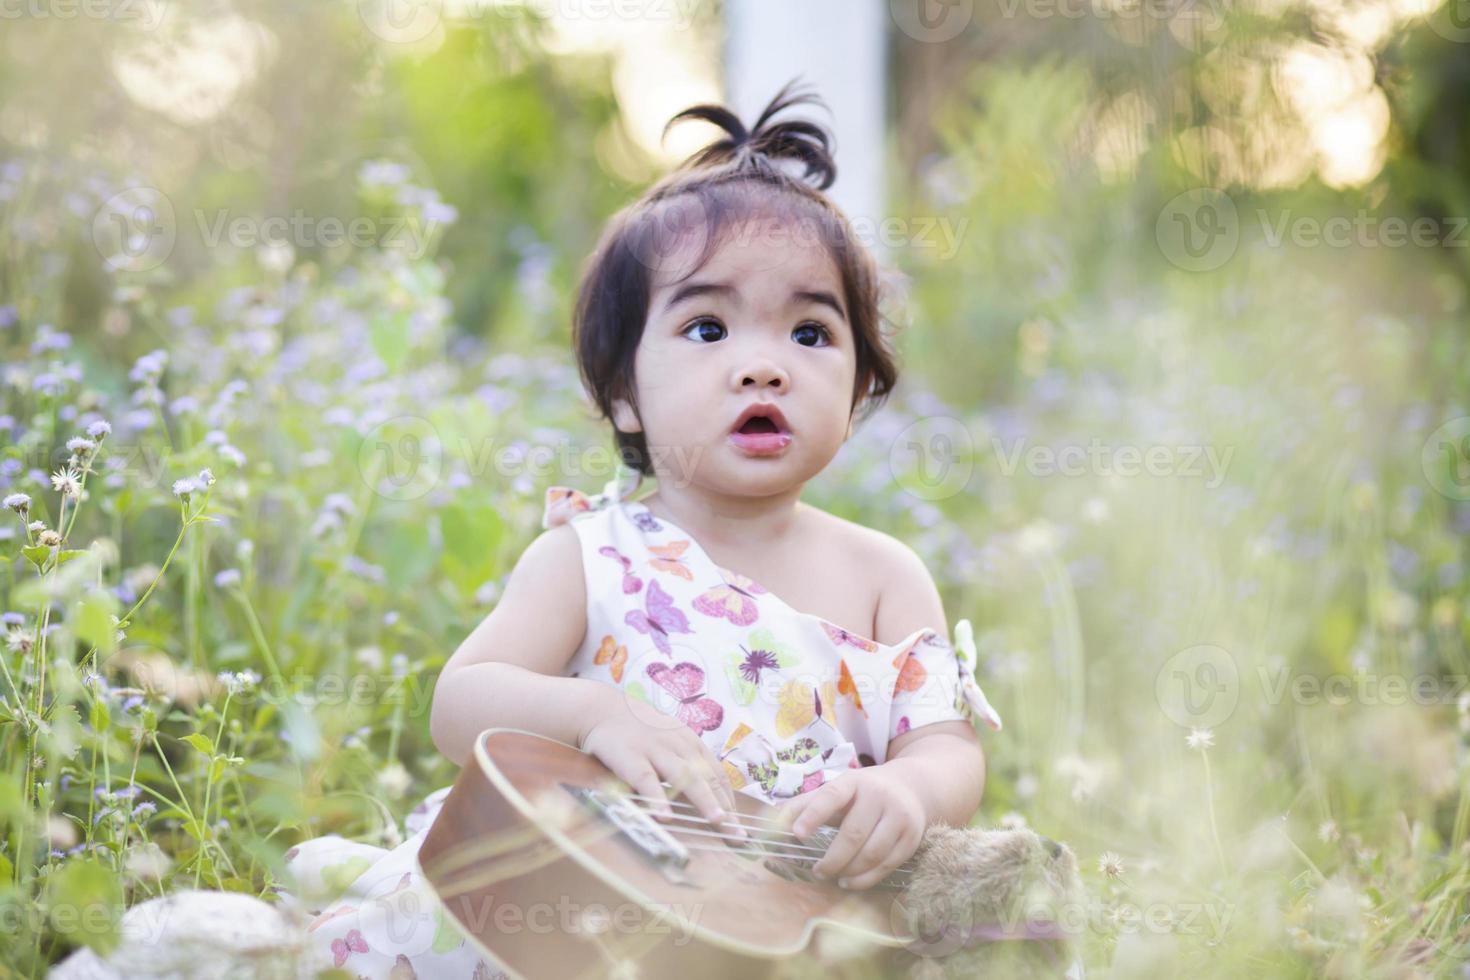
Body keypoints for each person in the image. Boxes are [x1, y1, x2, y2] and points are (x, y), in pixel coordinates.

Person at [283, 78, 1003, 979]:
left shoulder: (884, 574)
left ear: (858, 393)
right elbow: (458, 702)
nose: (763, 368)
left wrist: (907, 787)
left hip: (777, 924)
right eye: (708, 327)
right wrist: (591, 712)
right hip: (574, 902)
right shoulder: (593, 557)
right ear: (622, 393)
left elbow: (946, 747)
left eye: (810, 335)